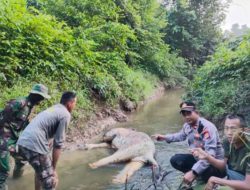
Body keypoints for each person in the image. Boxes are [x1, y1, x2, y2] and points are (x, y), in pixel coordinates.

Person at [152, 101, 226, 186]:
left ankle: (199, 176)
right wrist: (164, 137)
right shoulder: (187, 126)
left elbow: (210, 155)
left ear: (196, 112)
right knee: (176, 160)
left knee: (203, 172)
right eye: (184, 114)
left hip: (215, 165)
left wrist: (193, 172)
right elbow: (180, 136)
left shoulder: (207, 127)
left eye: (189, 113)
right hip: (199, 159)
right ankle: (197, 175)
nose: (187, 117)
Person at [17, 91, 77, 190]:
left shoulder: (54, 109)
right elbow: (58, 144)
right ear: (69, 103)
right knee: (51, 180)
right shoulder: (65, 114)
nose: (75, 106)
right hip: (34, 143)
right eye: (75, 103)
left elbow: (49, 137)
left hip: (22, 142)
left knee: (41, 172)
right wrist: (53, 168)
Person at [0, 84, 50, 190]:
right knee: (3, 171)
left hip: (13, 139)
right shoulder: (19, 103)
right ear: (36, 95)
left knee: (22, 159)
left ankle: (16, 180)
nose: (41, 101)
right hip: (3, 139)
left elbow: (24, 124)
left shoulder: (28, 106)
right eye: (41, 98)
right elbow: (3, 117)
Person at [192, 114, 250, 190]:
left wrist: (216, 180)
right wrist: (207, 157)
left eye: (233, 129)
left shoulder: (248, 149)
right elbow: (224, 167)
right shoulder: (227, 142)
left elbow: (248, 185)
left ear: (245, 130)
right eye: (226, 128)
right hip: (233, 177)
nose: (229, 133)